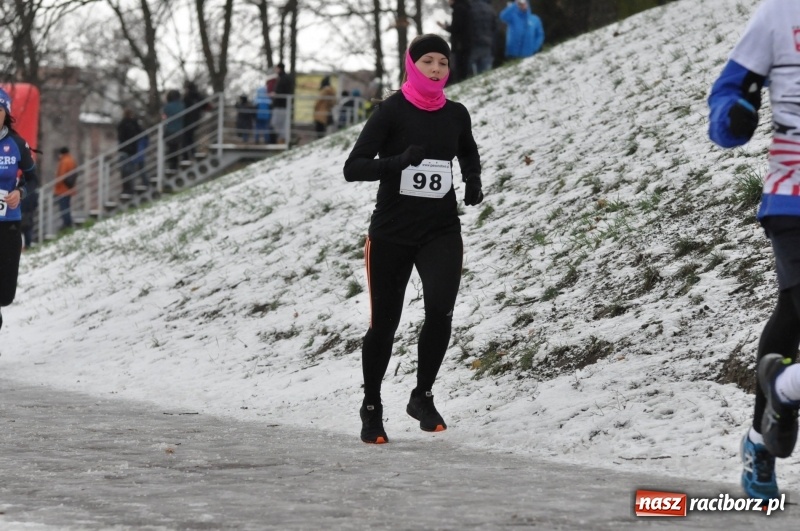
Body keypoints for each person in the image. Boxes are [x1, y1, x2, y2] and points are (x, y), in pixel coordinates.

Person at [343, 34, 484, 444]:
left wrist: (473, 179)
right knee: (384, 325)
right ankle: (372, 406)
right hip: (391, 234)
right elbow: (353, 168)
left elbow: (467, 150)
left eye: (443, 62)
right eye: (428, 62)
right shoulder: (391, 111)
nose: (437, 69)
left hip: (440, 230)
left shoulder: (456, 113)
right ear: (411, 65)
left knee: (440, 311)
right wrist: (398, 163)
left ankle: (422, 396)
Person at [708, 0, 800, 502]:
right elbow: (725, 94)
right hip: (795, 196)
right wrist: (734, 116)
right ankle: (767, 436)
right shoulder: (779, 15)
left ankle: (778, 401)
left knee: (791, 314)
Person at [0, 87, 38, 329]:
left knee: (4, 295)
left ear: (6, 113)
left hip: (9, 224)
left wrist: (19, 192)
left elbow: (34, 179)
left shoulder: (16, 143)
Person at [437, 0, 473, 83]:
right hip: (467, 42)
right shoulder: (467, 7)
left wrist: (445, 27)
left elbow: (457, 28)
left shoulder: (458, 9)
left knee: (459, 66)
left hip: (459, 43)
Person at [117, 108, 143, 195]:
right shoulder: (133, 123)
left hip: (124, 150)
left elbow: (120, 137)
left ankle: (126, 189)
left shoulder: (122, 124)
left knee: (124, 172)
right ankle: (130, 189)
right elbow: (140, 132)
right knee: (130, 171)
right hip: (132, 150)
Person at [269, 63, 294, 144]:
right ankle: (283, 140)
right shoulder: (283, 78)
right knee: (281, 125)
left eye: (276, 68)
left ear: (279, 68)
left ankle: (282, 141)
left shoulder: (283, 78)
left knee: (277, 124)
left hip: (281, 105)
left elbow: (283, 91)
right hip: (282, 105)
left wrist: (275, 94)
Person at [53, 146, 77, 230]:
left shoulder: (64, 161)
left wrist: (56, 186)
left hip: (63, 190)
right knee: (66, 207)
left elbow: (61, 176)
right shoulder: (71, 160)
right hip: (69, 189)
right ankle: (68, 223)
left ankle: (67, 224)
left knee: (63, 208)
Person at [470, 0, 496, 75]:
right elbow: (494, 27)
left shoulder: (470, 7)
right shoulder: (489, 8)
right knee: (485, 72)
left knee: (471, 73)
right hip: (487, 42)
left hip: (474, 43)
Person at [162, 90, 185, 171]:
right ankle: (175, 165)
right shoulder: (181, 105)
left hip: (169, 131)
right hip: (179, 130)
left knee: (171, 150)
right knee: (176, 149)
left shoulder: (167, 107)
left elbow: (164, 118)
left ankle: (172, 166)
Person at [182, 80, 204, 159]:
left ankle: (186, 156)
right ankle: (192, 153)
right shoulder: (198, 96)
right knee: (190, 138)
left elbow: (184, 107)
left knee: (186, 139)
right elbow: (205, 106)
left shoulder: (187, 97)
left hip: (187, 120)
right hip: (195, 119)